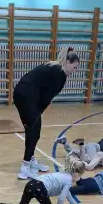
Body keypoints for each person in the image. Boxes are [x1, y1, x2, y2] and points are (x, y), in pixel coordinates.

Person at [13, 46, 80, 180]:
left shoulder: (54, 67)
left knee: (31, 129)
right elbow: (46, 99)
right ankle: (24, 168)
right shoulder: (59, 73)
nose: (75, 70)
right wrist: (37, 114)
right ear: (68, 62)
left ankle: (31, 160)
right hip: (27, 95)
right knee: (34, 131)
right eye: (74, 67)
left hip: (21, 93)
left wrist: (36, 114)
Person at [0, 156, 85, 204]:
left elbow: (67, 193)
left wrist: (74, 203)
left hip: (31, 184)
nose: (80, 178)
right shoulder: (68, 180)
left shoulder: (62, 174)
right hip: (40, 188)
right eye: (80, 175)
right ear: (77, 173)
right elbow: (61, 197)